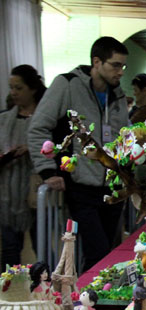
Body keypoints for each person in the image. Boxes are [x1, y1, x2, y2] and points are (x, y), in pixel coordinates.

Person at [28, 36, 129, 271]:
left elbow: (123, 136)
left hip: (113, 187)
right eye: (115, 65)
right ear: (97, 62)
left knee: (105, 253)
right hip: (81, 186)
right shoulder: (68, 84)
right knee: (97, 252)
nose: (120, 72)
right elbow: (38, 128)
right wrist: (47, 171)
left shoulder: (117, 94)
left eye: (123, 67)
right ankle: (88, 293)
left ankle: (92, 291)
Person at [0, 65, 46, 268]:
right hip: (8, 194)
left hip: (36, 189)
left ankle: (45, 282)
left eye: (18, 88)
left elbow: (54, 149)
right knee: (10, 248)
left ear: (32, 89)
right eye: (11, 88)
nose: (13, 93)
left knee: (42, 245)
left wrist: (31, 149)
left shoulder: (45, 120)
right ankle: (10, 284)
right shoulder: (4, 120)